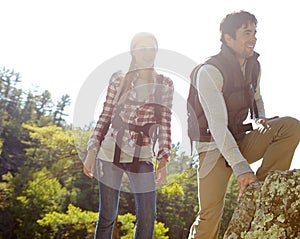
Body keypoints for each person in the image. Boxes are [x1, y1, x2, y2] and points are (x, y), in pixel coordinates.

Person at [188, 10, 300, 239]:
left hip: (240, 140)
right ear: (228, 38)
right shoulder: (209, 72)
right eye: (246, 32)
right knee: (210, 216)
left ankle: (263, 190)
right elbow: (218, 126)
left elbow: (256, 98)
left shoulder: (253, 66)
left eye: (255, 32)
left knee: (290, 127)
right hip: (212, 150)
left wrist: (260, 119)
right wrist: (242, 169)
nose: (254, 38)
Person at [83, 32, 174, 239]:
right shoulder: (119, 78)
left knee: (148, 215)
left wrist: (164, 158)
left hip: (142, 154)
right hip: (110, 151)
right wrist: (92, 149)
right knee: (107, 215)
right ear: (134, 51)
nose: (147, 53)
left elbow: (165, 122)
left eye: (151, 48)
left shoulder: (164, 84)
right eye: (142, 48)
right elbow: (106, 114)